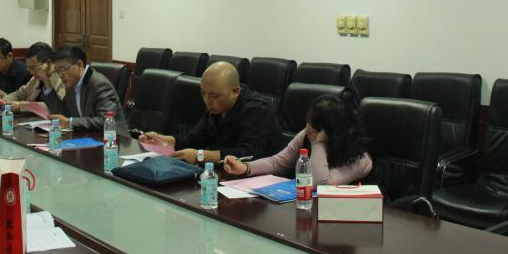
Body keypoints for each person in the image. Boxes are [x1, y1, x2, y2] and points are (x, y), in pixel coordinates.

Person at [140, 61, 285, 164]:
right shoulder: (215, 107)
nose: (207, 101)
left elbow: (248, 154)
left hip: (261, 181)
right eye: (203, 93)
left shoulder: (257, 110)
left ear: (235, 91)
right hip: (226, 176)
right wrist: (164, 140)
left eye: (214, 96)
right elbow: (193, 140)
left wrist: (200, 156)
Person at [223, 92, 373, 184]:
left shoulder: (360, 158)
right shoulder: (306, 135)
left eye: (312, 124)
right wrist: (246, 167)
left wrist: (318, 143)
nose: (307, 127)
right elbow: (277, 163)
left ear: (328, 130)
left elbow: (318, 184)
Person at [49, 45, 124, 131]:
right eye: (57, 71)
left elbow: (106, 120)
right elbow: (64, 113)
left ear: (79, 64)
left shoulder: (99, 84)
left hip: (113, 137)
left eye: (63, 69)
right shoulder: (71, 83)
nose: (60, 75)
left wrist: (70, 122)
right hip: (87, 135)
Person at [0, 41, 66, 113]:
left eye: (34, 68)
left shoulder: (62, 79)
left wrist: (21, 106)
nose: (31, 72)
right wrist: (5, 99)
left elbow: (55, 107)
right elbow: (21, 93)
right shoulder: (36, 78)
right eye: (29, 68)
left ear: (48, 63)